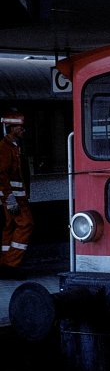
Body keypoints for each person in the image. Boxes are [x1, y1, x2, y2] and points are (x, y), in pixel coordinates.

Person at [0, 110, 32, 277]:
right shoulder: (5, 148)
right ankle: (12, 264)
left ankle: (4, 262)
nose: (23, 130)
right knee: (25, 224)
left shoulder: (14, 147)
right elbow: (2, 174)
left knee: (10, 226)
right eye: (20, 127)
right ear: (11, 128)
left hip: (14, 197)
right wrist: (10, 198)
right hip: (13, 199)